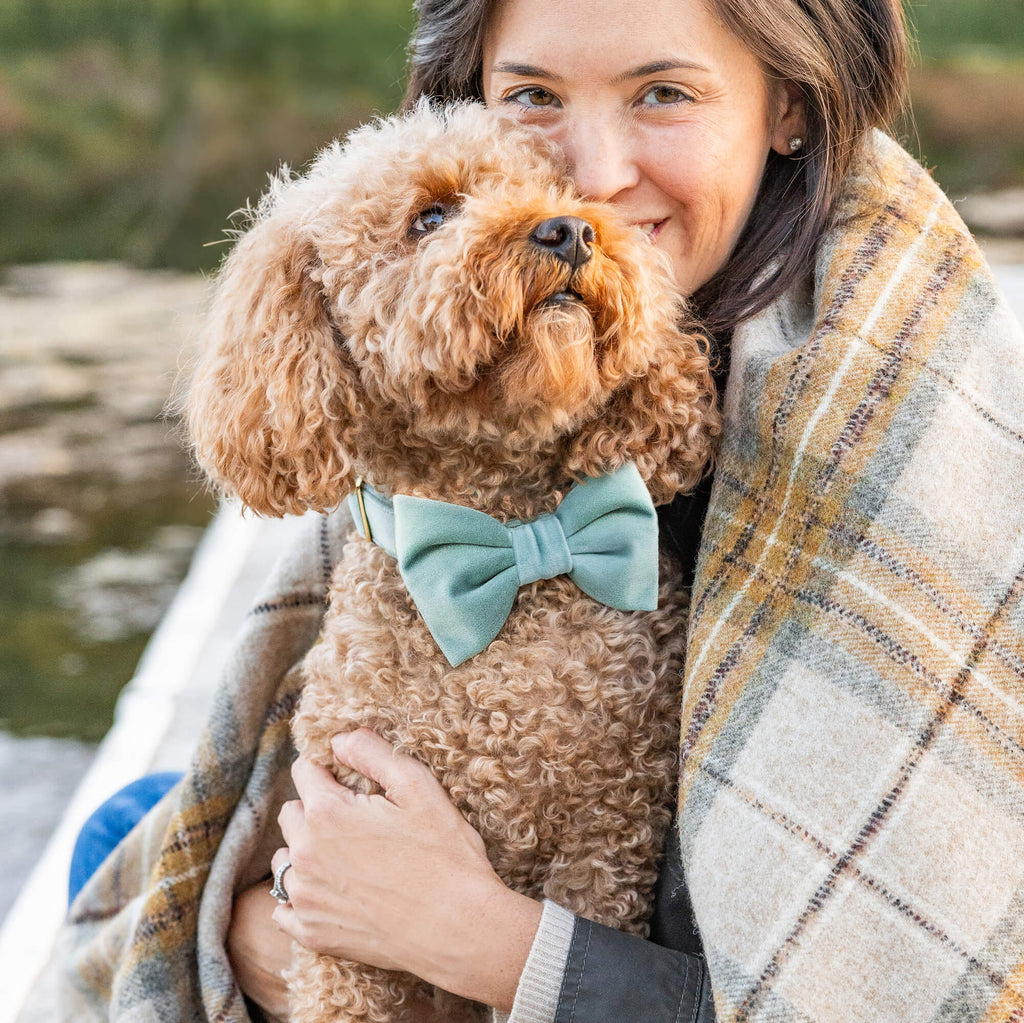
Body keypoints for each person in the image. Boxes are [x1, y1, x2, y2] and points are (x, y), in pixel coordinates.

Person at [59, 0, 1024, 1021]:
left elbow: (881, 985)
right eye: (531, 97)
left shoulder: (900, 441)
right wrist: (282, 928)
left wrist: (473, 939)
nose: (592, 175)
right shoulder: (486, 364)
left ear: (790, 105)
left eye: (662, 93)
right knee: (136, 837)